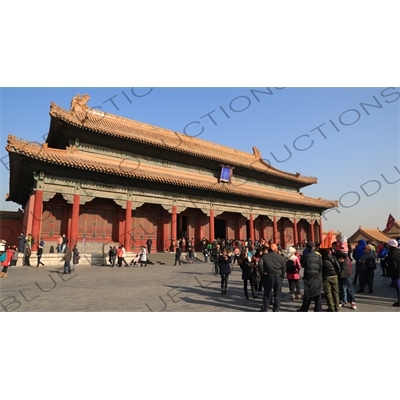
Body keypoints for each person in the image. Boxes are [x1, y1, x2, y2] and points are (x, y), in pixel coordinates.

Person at [259, 243, 286, 312]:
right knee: (277, 295)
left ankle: (264, 309)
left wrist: (263, 272)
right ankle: (276, 310)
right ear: (276, 249)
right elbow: (284, 268)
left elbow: (260, 264)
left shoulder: (265, 256)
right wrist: (282, 276)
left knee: (267, 294)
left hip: (269, 276)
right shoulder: (281, 257)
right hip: (278, 276)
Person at [298, 242, 323, 312]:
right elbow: (321, 267)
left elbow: (302, 265)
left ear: (307, 247)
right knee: (318, 294)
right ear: (313, 247)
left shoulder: (305, 256)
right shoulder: (318, 256)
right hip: (317, 277)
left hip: (308, 277)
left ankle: (304, 309)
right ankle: (318, 310)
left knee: (307, 294)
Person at [385, 239, 400, 307]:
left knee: (398, 286)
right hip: (397, 269)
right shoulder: (397, 250)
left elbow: (388, 259)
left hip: (395, 270)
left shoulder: (393, 252)